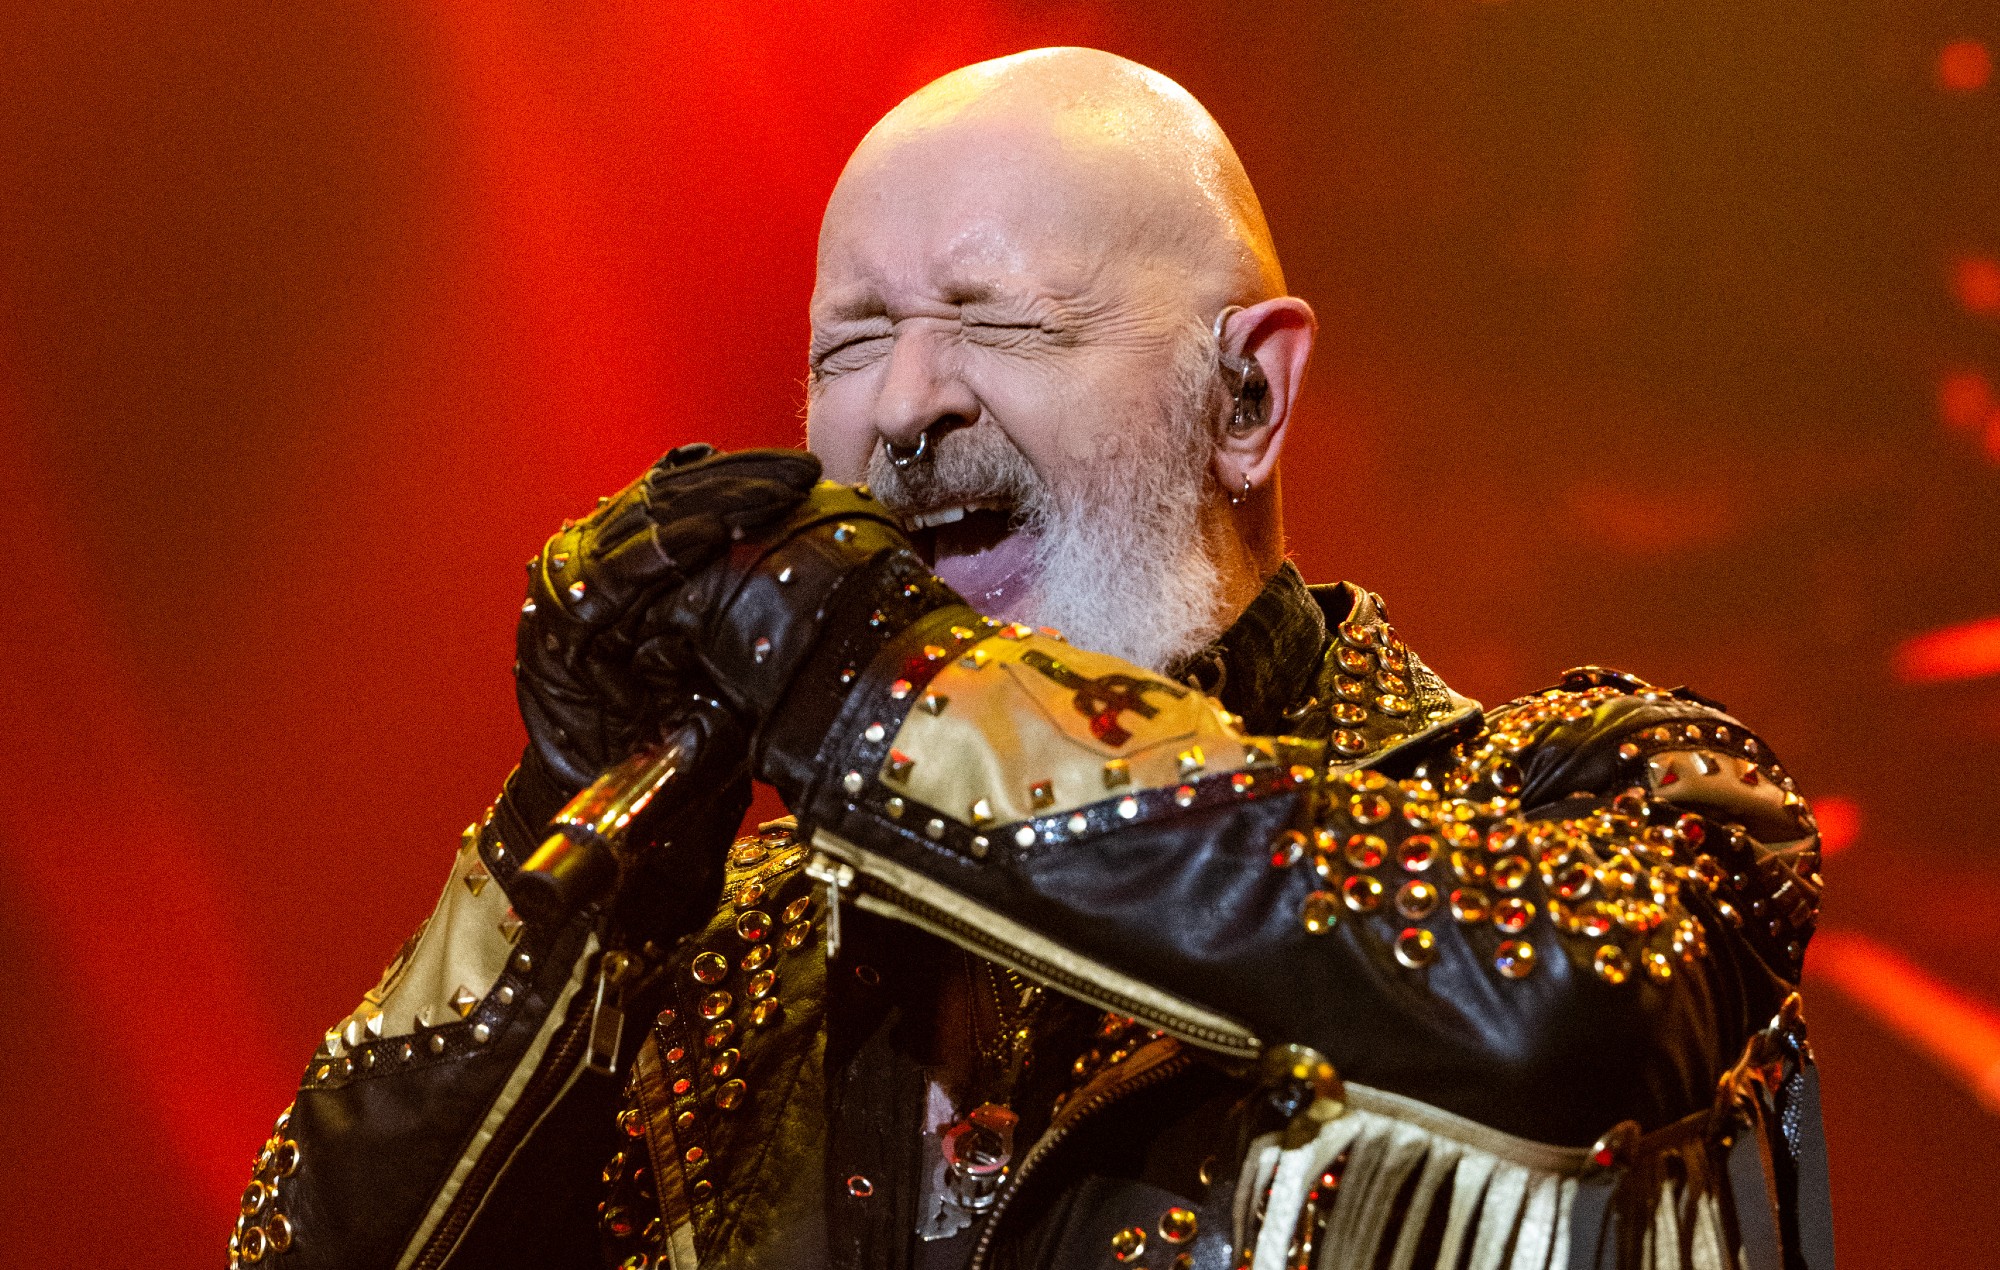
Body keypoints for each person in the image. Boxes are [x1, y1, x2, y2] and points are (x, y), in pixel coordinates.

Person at [232, 48, 1832, 1270]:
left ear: (1249, 397)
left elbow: (1577, 1014)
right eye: (853, 341)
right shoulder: (731, 959)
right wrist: (575, 851)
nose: (907, 404)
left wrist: (884, 692)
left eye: (1003, 323)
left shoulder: (1585, 789)